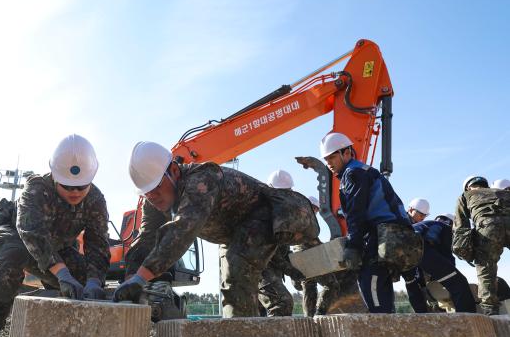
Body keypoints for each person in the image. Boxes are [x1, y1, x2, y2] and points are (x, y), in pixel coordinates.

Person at [0, 134, 111, 337]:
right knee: (11, 259)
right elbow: (31, 233)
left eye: (81, 187)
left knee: (86, 279)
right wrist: (60, 273)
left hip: (58, 246)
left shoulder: (95, 199)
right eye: (68, 186)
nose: (75, 192)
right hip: (16, 236)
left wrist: (95, 280)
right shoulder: (35, 187)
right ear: (54, 176)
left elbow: (98, 243)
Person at [117, 141, 318, 317]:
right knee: (231, 286)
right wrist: (129, 280)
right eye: (147, 194)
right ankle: (238, 335)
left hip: (261, 217)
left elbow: (183, 230)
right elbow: (146, 239)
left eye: (156, 189)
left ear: (174, 172)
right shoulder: (153, 200)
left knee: (237, 275)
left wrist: (141, 278)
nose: (153, 198)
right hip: (232, 234)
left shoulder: (200, 180)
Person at [320, 132, 419, 313]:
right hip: (395, 235)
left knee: (370, 281)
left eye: (332, 157)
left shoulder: (353, 173)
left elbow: (356, 213)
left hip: (381, 234)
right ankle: (388, 329)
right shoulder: (364, 171)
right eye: (326, 160)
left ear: (347, 152)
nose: (329, 164)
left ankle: (381, 331)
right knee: (380, 284)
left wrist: (353, 245)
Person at [453, 175, 510, 315]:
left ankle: (490, 311)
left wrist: (465, 251)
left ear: (468, 187)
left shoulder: (465, 196)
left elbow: (461, 227)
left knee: (486, 267)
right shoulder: (504, 192)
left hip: (488, 228)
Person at [403, 213, 476, 313]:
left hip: (398, 248)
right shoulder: (446, 228)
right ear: (453, 224)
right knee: (459, 283)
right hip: (419, 248)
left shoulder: (428, 225)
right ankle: (468, 319)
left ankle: (422, 318)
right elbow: (447, 258)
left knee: (413, 284)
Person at [259, 169, 300, 317]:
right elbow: (271, 252)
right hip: (258, 267)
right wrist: (291, 271)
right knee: (282, 303)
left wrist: (296, 267)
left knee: (260, 313)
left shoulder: (282, 214)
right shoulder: (263, 214)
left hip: (271, 270)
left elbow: (283, 249)